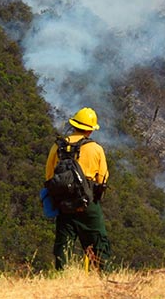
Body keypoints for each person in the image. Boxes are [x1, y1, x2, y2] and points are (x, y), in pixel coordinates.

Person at [45, 107, 111, 270]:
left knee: (63, 244)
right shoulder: (96, 149)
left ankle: (62, 275)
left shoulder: (57, 147)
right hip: (88, 203)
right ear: (90, 130)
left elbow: (48, 176)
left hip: (63, 204)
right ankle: (104, 275)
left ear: (74, 125)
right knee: (98, 241)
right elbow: (102, 178)